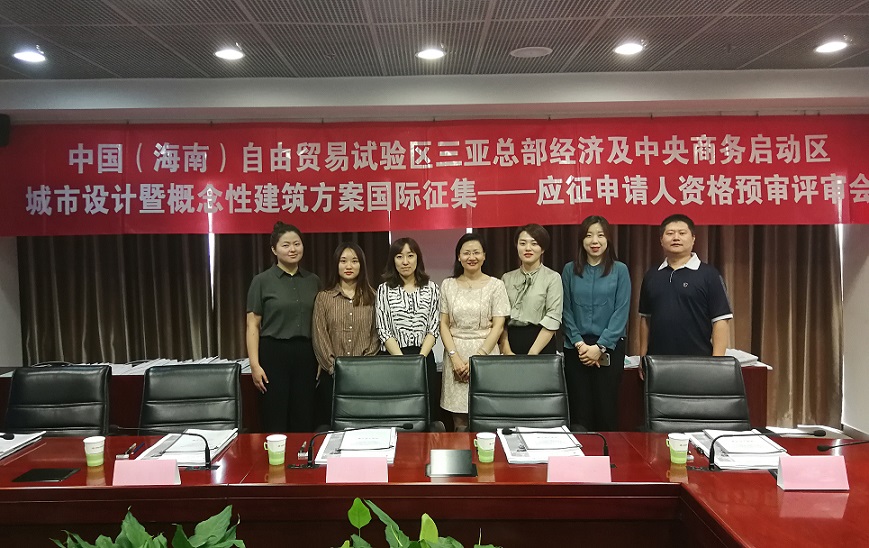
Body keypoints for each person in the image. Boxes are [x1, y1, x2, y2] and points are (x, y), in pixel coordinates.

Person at [246, 222, 320, 432]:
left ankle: (302, 452)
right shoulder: (261, 281)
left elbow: (320, 323)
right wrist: (254, 365)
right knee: (274, 415)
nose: (292, 249)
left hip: (306, 353)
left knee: (304, 415)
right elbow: (252, 325)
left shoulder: (313, 280)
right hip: (274, 353)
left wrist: (321, 358)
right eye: (286, 245)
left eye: (297, 244)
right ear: (274, 249)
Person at [561, 215, 631, 432]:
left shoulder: (620, 270)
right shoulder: (569, 270)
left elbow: (621, 311)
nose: (595, 241)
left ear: (608, 239)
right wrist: (580, 344)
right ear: (581, 240)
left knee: (606, 408)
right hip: (576, 348)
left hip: (609, 347)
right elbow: (565, 310)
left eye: (600, 235)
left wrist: (599, 347)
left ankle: (609, 453)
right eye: (589, 235)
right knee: (579, 410)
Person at [439, 233, 510, 431]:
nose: (472, 257)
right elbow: (443, 324)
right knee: (459, 423)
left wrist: (477, 359)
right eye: (466, 253)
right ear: (459, 256)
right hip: (456, 357)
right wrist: (454, 357)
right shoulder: (447, 285)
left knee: (487, 418)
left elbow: (498, 325)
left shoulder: (496, 285)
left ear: (484, 255)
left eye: (476, 252)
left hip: (486, 355)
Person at [638, 213, 733, 358]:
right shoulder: (652, 275)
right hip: (657, 361)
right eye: (670, 233)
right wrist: (642, 357)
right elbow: (645, 319)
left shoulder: (709, 275)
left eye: (682, 233)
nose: (676, 238)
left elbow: (720, 319)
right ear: (661, 240)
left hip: (699, 360)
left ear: (693, 238)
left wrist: (717, 361)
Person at [313, 242, 380, 426]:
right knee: (333, 427)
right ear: (336, 264)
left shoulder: (373, 297)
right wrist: (335, 369)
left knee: (363, 428)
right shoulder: (324, 298)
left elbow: (376, 335)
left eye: (354, 261)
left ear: (362, 265)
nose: (348, 266)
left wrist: (361, 369)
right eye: (343, 261)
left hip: (365, 378)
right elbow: (320, 337)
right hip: (332, 377)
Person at [375, 237, 442, 419]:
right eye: (399, 257)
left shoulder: (432, 288)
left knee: (425, 413)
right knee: (395, 413)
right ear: (393, 261)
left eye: (410, 256)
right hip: (393, 359)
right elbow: (383, 329)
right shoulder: (384, 290)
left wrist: (419, 360)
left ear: (417, 258)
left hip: (424, 357)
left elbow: (433, 327)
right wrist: (403, 363)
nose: (405, 262)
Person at [500, 224, 562, 355]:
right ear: (517, 246)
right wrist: (506, 350)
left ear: (542, 248)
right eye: (522, 243)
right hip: (511, 341)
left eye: (534, 244)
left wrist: (533, 353)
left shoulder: (552, 278)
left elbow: (553, 317)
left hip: (541, 342)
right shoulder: (506, 278)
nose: (528, 248)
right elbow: (500, 318)